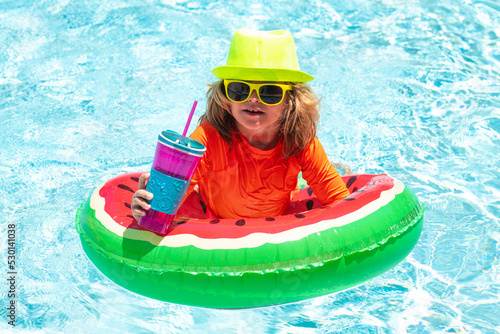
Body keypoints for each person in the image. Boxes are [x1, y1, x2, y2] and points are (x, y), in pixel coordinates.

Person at [131, 28, 350, 221]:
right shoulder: (207, 138)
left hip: (280, 214)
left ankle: (320, 174)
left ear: (290, 101)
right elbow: (162, 207)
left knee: (317, 178)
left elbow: (341, 202)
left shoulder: (299, 140)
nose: (252, 99)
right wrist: (145, 206)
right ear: (225, 97)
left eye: (269, 92)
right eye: (239, 89)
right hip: (213, 215)